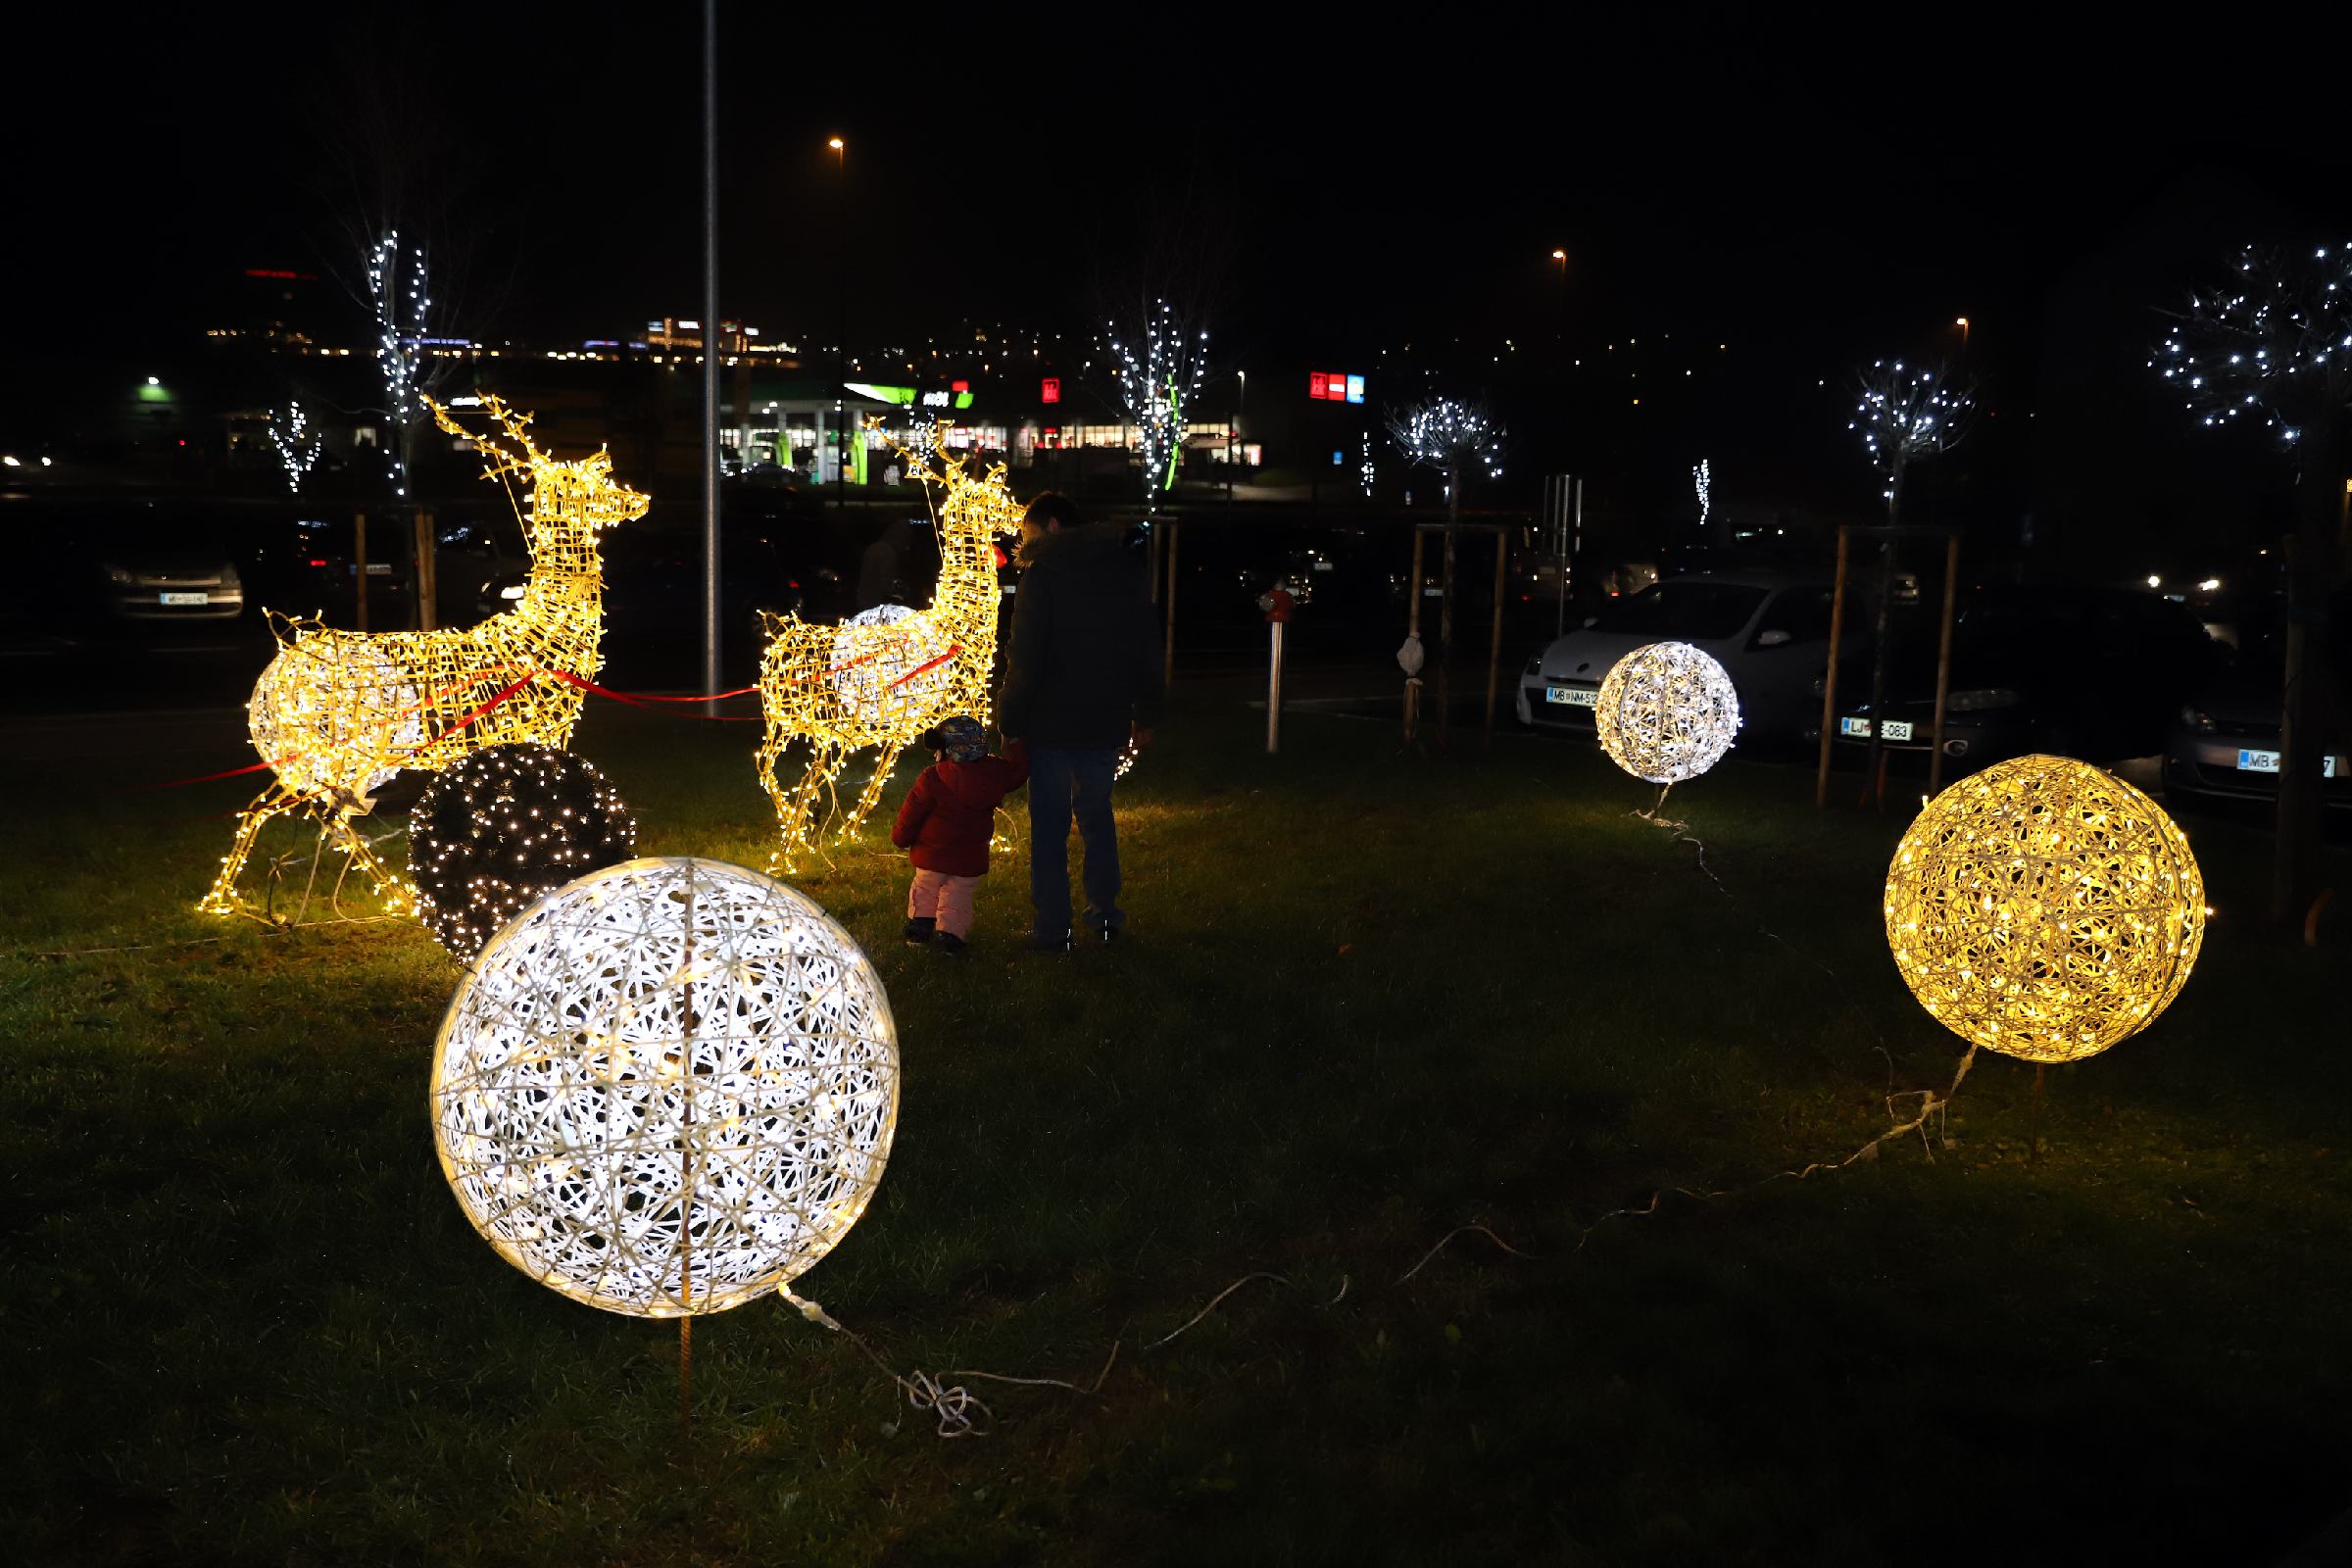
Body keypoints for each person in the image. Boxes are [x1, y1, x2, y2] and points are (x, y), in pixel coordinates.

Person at [999, 492, 1163, 950]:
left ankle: (1053, 928)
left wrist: (1011, 719)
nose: (1022, 541)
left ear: (1051, 526)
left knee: (1049, 827)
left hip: (1051, 722)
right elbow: (1145, 645)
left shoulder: (1042, 577)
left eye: (1027, 531)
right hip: (1106, 716)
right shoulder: (1121, 571)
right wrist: (1147, 709)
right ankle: (1105, 915)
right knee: (1096, 814)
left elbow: (1025, 656)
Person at [890, 715, 1029, 958]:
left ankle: (920, 929)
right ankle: (951, 936)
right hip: (969, 857)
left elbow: (912, 811)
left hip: (933, 854)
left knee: (925, 887)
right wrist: (1016, 743)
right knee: (958, 894)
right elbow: (1018, 772)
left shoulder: (932, 778)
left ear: (947, 750)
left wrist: (900, 837)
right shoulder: (995, 773)